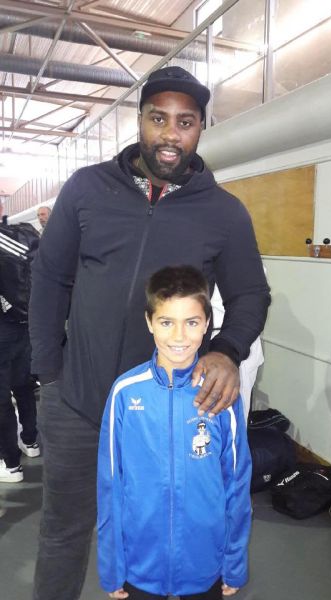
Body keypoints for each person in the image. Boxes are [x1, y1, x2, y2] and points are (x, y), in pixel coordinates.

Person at [29, 65, 270, 600]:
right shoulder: (87, 188)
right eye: (159, 118)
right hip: (79, 404)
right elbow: (49, 278)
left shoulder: (224, 213)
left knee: (162, 530)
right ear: (139, 120)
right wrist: (48, 374)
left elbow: (253, 294)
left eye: (185, 122)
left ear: (200, 130)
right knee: (64, 533)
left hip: (169, 411)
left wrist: (228, 349)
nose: (170, 133)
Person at [97, 266, 252, 599]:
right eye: (167, 322)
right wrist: (112, 566)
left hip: (204, 563)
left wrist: (233, 562)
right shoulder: (125, 392)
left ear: (207, 323)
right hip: (141, 564)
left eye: (192, 322)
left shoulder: (220, 394)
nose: (179, 337)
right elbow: (110, 482)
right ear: (150, 322)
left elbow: (237, 482)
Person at [0, 218, 40, 484]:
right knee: (24, 386)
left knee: (1, 398)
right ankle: (31, 441)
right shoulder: (24, 234)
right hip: (26, 324)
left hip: (2, 329)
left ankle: (10, 463)